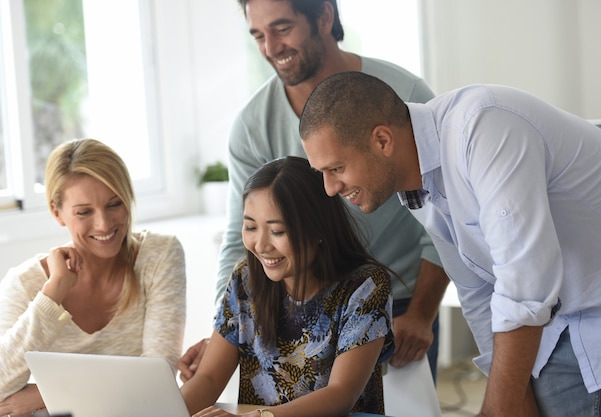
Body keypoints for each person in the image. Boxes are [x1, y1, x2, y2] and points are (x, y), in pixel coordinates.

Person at [298, 70, 601, 417]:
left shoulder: (483, 127)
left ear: (382, 140)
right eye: (322, 173)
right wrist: (517, 401)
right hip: (558, 329)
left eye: (336, 168)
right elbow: (477, 291)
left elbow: (525, 282)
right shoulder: (414, 185)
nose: (330, 188)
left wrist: (499, 409)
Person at [178, 0, 448, 384]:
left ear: (324, 16)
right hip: (295, 310)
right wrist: (223, 331)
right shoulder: (253, 125)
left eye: (282, 28)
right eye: (258, 35)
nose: (270, 47)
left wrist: (422, 312)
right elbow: (241, 240)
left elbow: (443, 218)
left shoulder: (404, 93)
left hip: (398, 304)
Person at [180, 156, 394, 417]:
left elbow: (341, 395)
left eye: (277, 231)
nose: (260, 245)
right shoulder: (245, 279)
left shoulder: (365, 286)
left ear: (317, 229)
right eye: (250, 227)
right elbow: (209, 379)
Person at [0, 138, 186, 417]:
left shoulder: (160, 255)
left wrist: (45, 394)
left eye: (114, 204)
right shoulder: (24, 283)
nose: (104, 224)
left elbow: (158, 377)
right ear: (56, 212)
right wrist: (53, 293)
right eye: (84, 212)